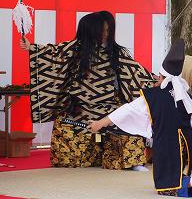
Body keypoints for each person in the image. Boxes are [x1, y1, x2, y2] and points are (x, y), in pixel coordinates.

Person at [20, 12, 153, 170]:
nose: (106, 34)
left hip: (109, 109)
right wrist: (31, 47)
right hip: (78, 111)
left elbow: (136, 73)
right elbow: (53, 53)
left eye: (108, 31)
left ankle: (131, 162)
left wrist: (157, 82)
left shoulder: (117, 53)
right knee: (65, 136)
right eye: (102, 31)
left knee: (128, 122)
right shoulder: (75, 49)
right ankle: (93, 156)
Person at [89, 39, 192, 197]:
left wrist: (100, 123)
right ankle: (186, 183)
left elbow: (127, 110)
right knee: (182, 164)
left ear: (161, 76)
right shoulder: (186, 96)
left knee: (167, 179)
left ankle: (179, 188)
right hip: (186, 142)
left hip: (166, 142)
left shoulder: (153, 96)